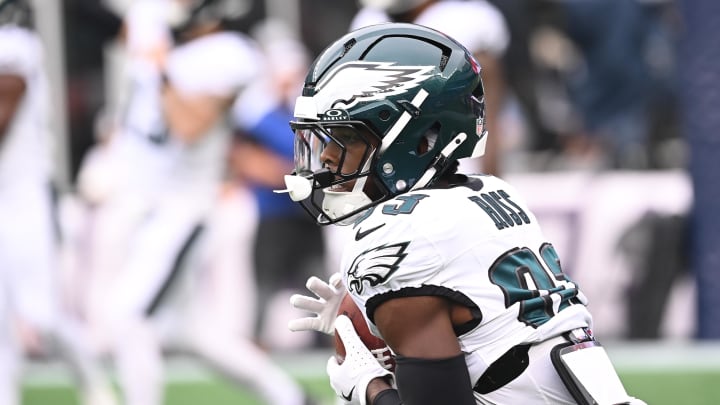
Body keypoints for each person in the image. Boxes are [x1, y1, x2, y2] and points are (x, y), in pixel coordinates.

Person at [282, 23, 645, 405]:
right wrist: (368, 310)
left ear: (418, 140)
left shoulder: (394, 235)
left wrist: (367, 387)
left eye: (348, 138)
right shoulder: (493, 193)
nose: (325, 156)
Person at [75, 1, 313, 404]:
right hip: (143, 203)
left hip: (182, 208)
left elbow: (188, 126)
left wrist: (160, 68)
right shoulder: (158, 30)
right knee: (190, 332)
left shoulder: (230, 53)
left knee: (126, 316)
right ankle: (288, 394)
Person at [0, 1, 117, 404]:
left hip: (22, 198)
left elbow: (3, 108)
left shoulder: (14, 44)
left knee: (40, 314)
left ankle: (95, 384)